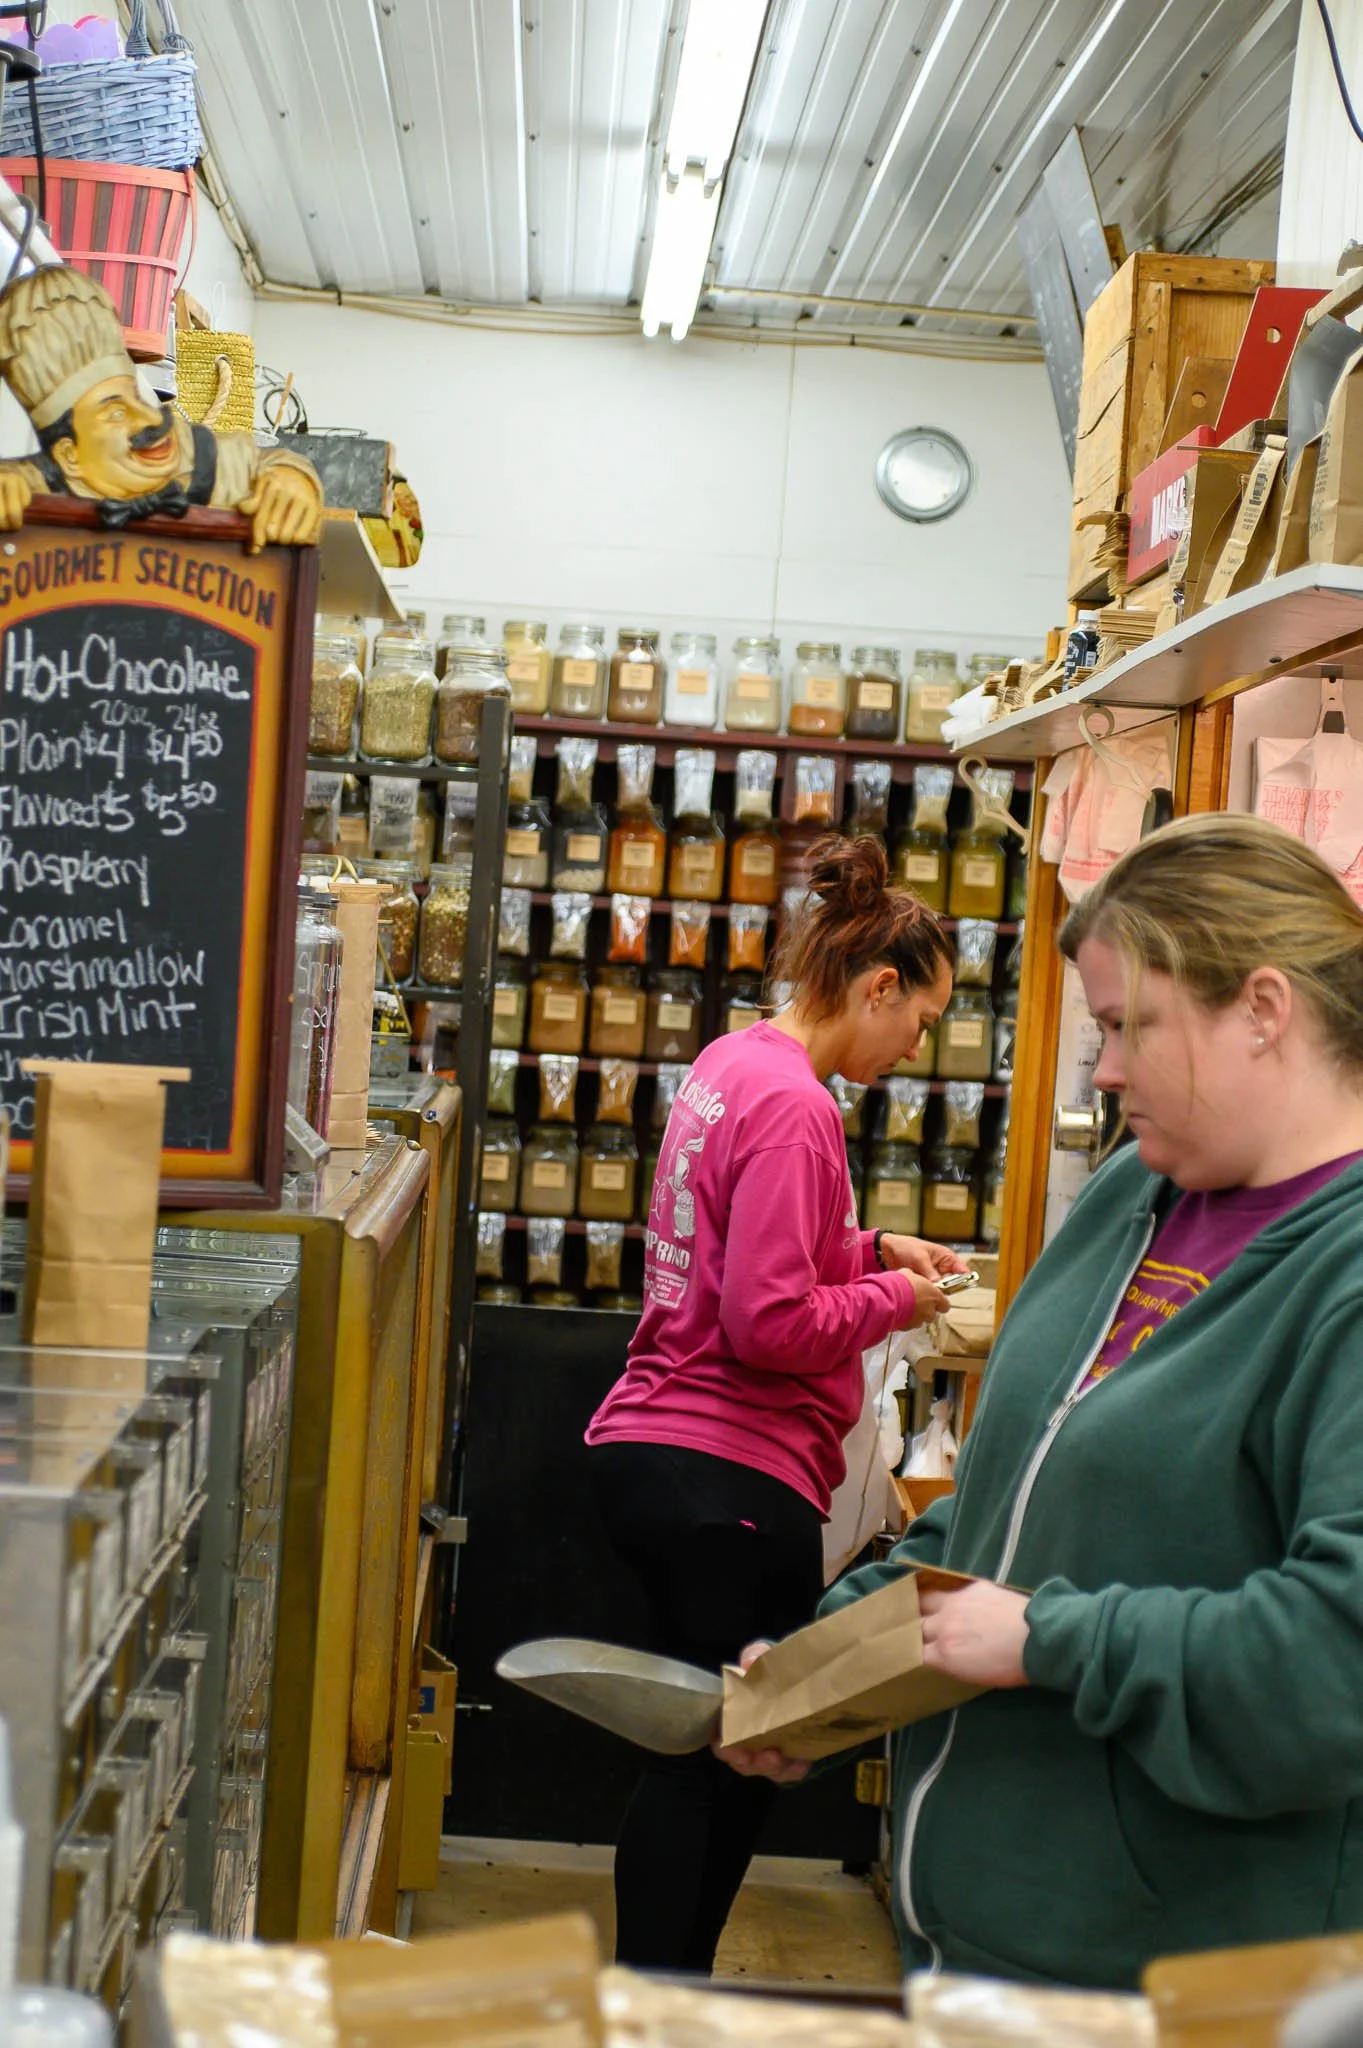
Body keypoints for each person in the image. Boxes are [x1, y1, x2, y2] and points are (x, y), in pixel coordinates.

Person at [722, 812, 1363, 1990]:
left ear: (1263, 1008)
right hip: (972, 1959)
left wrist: (1047, 1640)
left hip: (1177, 1988)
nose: (1103, 1069)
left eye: (1127, 1027)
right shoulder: (1134, 1190)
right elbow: (1007, 1503)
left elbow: (1332, 1663)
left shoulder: (1345, 1276)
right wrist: (828, 1663)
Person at [585, 835, 967, 1974]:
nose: (916, 1045)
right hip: (729, 1471)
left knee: (698, 1753)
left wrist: (864, 1243)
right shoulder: (801, 1108)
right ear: (877, 984)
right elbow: (767, 1322)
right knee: (721, 1760)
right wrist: (894, 1297)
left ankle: (659, 1996)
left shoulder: (734, 1061)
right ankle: (660, 2001)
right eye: (920, 1016)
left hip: (653, 1447)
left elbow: (737, 1241)